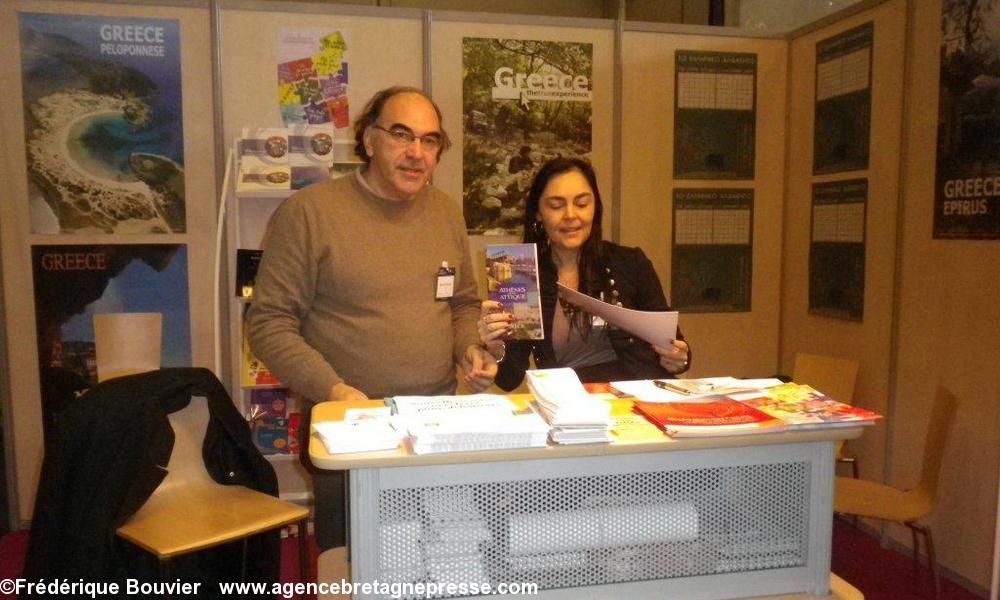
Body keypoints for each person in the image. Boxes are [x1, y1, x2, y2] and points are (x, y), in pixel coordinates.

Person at [246, 86, 498, 550]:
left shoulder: (444, 212)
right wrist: (335, 391)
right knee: (357, 569)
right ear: (368, 140)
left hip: (436, 425)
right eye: (401, 135)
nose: (416, 153)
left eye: (430, 140)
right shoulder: (309, 214)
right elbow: (268, 323)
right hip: (350, 431)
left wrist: (470, 350)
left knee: (448, 562)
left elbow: (462, 302)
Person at [479, 157, 691, 390]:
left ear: (595, 207)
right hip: (570, 407)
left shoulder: (630, 262)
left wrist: (678, 356)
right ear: (538, 213)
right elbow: (509, 380)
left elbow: (676, 347)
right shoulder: (518, 271)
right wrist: (495, 347)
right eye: (556, 206)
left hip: (639, 398)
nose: (571, 215)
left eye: (581, 204)